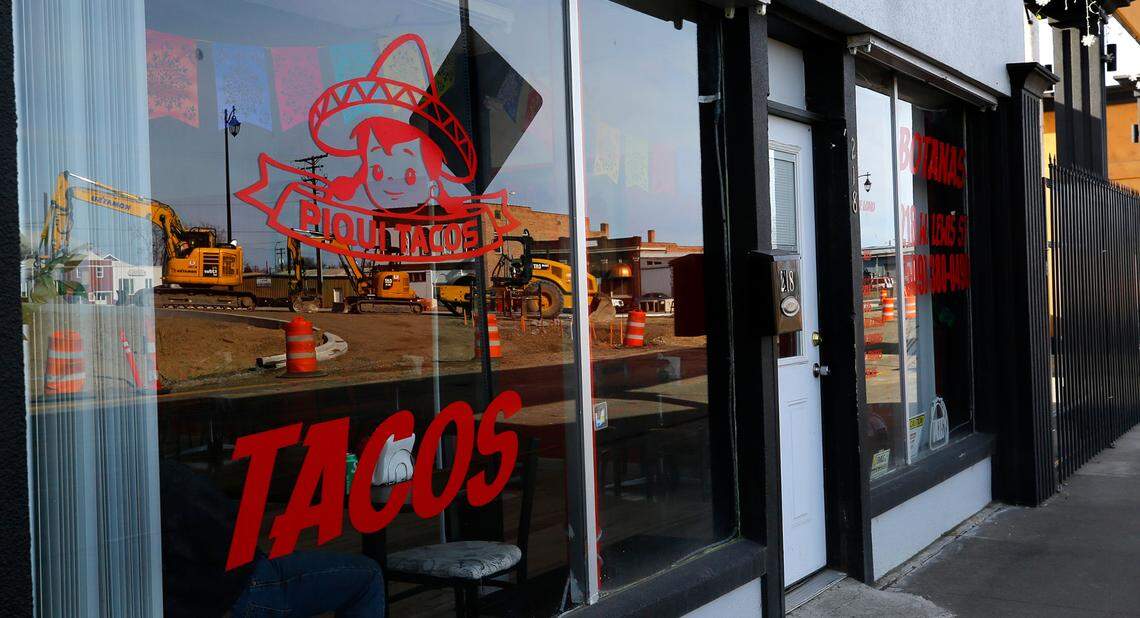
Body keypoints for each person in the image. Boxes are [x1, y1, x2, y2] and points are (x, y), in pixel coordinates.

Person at [160, 459, 385, 617]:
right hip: (239, 591)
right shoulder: (168, 478)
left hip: (203, 596)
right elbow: (235, 541)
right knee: (368, 575)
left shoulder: (135, 487)